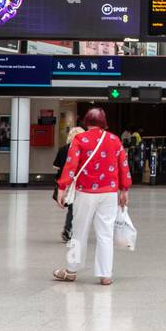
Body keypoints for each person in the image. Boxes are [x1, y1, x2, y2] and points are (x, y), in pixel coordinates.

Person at [53, 108, 131, 286]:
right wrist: (124, 190)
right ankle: (105, 275)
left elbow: (71, 165)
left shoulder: (80, 139)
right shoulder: (114, 140)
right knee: (105, 234)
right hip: (109, 193)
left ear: (86, 122)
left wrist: (62, 188)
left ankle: (71, 271)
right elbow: (123, 166)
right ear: (104, 123)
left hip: (85, 192)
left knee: (78, 231)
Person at [53, 126, 85, 242]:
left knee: (71, 207)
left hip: (66, 182)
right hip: (82, 182)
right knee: (82, 207)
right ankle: (78, 230)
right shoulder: (85, 150)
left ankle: (68, 228)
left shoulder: (63, 149)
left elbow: (56, 166)